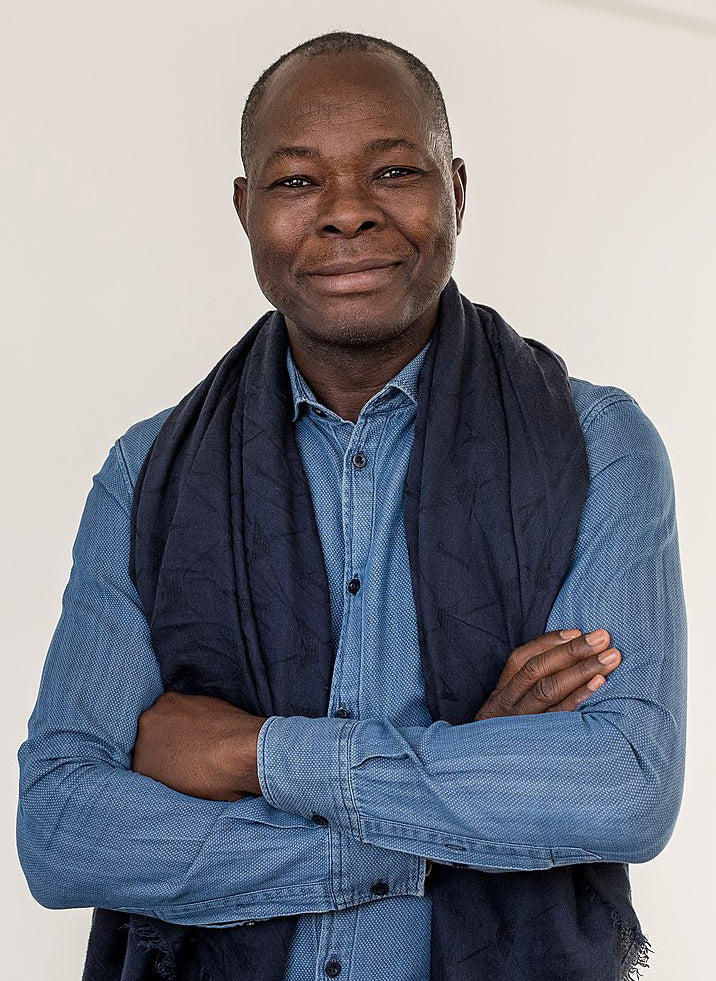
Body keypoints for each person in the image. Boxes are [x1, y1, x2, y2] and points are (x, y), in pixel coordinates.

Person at [16, 30, 686, 981]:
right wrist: (461, 782)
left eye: (394, 171)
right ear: (244, 210)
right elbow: (61, 828)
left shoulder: (597, 445)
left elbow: (623, 784)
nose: (347, 213)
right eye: (297, 181)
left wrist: (253, 754)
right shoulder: (147, 472)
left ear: (458, 189)